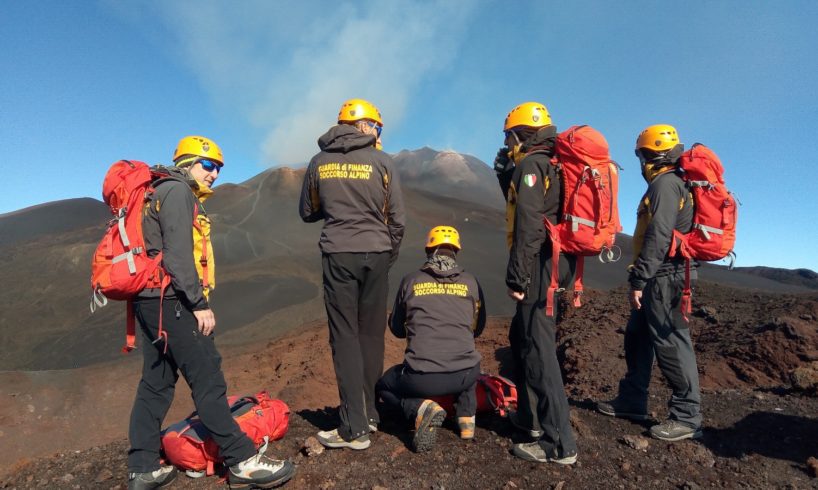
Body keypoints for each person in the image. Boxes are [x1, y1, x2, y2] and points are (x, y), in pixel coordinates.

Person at [127, 136, 294, 489]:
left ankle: (143, 467)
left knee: (155, 385)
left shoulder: (151, 193)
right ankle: (243, 461)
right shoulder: (176, 192)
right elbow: (177, 255)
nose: (214, 174)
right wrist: (198, 304)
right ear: (187, 163)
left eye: (218, 167)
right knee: (208, 380)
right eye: (208, 165)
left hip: (147, 301)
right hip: (172, 302)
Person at [299, 99, 406, 450]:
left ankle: (353, 426)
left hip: (338, 254)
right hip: (376, 254)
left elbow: (308, 210)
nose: (379, 133)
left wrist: (335, 206)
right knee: (371, 335)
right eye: (377, 126)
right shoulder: (382, 162)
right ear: (363, 125)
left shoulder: (318, 162)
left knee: (344, 337)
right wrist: (385, 256)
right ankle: (372, 417)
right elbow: (398, 220)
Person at [597, 124, 703, 441]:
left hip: (666, 278)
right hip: (660, 275)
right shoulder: (671, 184)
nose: (641, 162)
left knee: (671, 344)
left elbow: (659, 235)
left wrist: (640, 278)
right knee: (637, 337)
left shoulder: (666, 185)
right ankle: (633, 400)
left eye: (642, 155)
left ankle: (687, 417)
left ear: (652, 155)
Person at [493, 102, 578, 465]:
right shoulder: (551, 163)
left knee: (540, 351)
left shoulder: (532, 164)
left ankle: (560, 444)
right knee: (523, 340)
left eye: (509, 137)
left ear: (518, 134)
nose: (508, 143)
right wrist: (505, 174)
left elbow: (528, 223)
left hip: (541, 266)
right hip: (556, 264)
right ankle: (531, 421)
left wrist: (517, 275)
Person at [376, 226, 486, 452]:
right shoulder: (472, 282)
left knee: (383, 386)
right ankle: (467, 419)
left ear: (429, 249)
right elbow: (477, 328)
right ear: (456, 251)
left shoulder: (411, 280)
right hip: (466, 375)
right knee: (468, 355)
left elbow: (397, 329)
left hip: (421, 379)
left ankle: (419, 408)